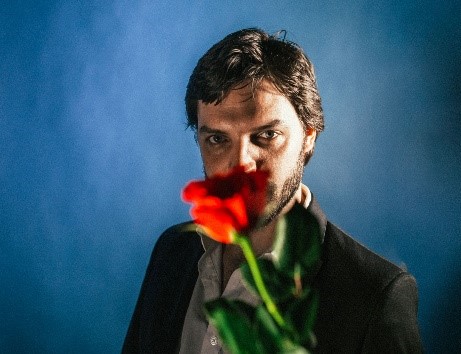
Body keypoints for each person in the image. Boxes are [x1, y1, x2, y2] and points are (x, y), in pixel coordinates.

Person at [123, 28, 422, 353]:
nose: (241, 166)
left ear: (309, 136)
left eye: (266, 136)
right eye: (218, 139)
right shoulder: (172, 252)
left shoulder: (376, 297)